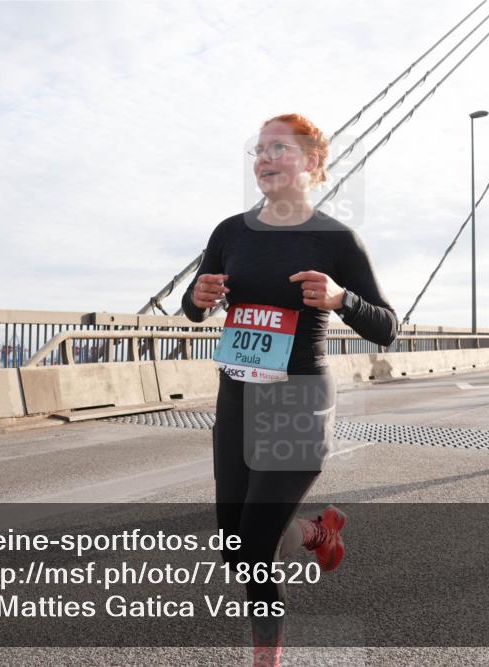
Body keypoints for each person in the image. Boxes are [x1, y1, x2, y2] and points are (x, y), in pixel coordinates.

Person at [182, 113, 398, 667]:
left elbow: (386, 327)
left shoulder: (336, 239)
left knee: (255, 545)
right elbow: (193, 307)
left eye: (279, 148)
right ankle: (314, 532)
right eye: (258, 150)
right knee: (238, 547)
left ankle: (267, 658)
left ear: (314, 162)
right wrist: (199, 296)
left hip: (298, 397)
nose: (264, 158)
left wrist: (340, 298)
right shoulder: (230, 232)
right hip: (238, 396)